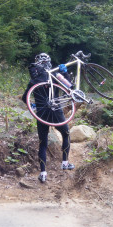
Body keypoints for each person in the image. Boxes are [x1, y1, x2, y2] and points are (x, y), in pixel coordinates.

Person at [22, 52, 74, 183]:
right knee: (66, 134)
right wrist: (65, 73)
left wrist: (33, 104)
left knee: (43, 143)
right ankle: (65, 163)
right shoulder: (55, 75)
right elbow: (69, 87)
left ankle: (43, 173)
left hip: (41, 113)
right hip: (56, 111)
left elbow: (24, 98)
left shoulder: (33, 80)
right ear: (49, 62)